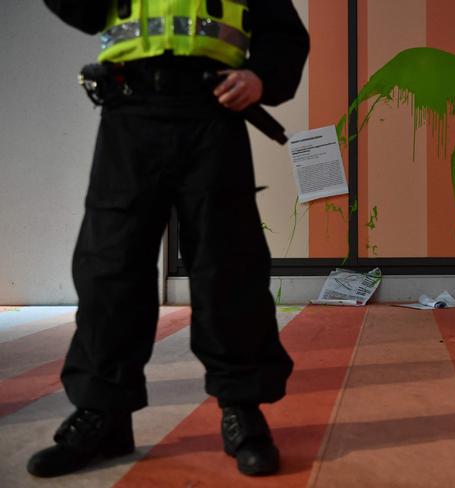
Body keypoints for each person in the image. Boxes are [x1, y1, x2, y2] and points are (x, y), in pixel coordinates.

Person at [28, 0, 309, 478]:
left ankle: (241, 410)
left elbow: (284, 33)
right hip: (128, 113)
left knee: (229, 271)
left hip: (214, 112)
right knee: (108, 271)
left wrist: (261, 76)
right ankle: (104, 415)